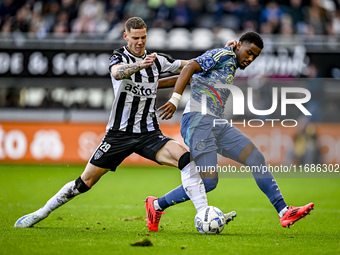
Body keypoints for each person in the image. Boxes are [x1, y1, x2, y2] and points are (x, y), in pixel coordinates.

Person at [14, 17, 208, 230]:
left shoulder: (157, 61)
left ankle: (203, 214)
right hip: (118, 134)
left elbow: (191, 65)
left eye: (143, 37)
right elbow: (117, 72)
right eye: (135, 38)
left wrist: (215, 57)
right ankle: (41, 213)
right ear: (126, 36)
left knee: (186, 159)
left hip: (149, 133)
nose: (140, 42)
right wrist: (138, 65)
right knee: (84, 183)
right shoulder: (118, 57)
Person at [145, 31, 314, 231]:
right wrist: (174, 99)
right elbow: (190, 67)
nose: (250, 59)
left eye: (255, 56)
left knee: (255, 158)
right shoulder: (224, 55)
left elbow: (193, 76)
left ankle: (284, 211)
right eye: (249, 52)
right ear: (239, 45)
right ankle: (156, 205)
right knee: (208, 183)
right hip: (198, 121)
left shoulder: (228, 60)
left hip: (216, 123)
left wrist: (150, 87)